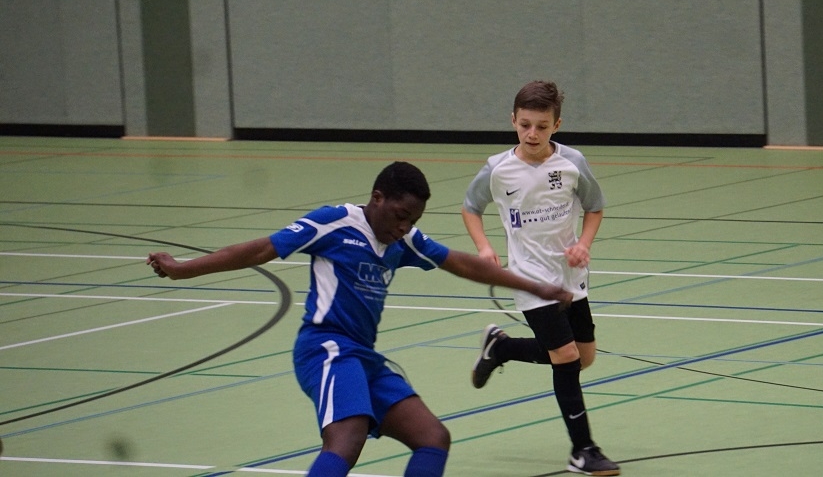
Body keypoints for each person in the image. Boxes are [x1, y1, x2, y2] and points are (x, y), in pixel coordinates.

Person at [147, 161, 572, 477]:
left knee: (433, 438)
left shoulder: (404, 241)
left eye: (413, 221)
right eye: (400, 215)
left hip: (363, 357)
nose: (404, 227)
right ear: (377, 198)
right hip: (326, 347)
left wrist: (537, 287)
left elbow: (463, 263)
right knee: (347, 437)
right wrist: (183, 269)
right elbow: (260, 249)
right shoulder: (335, 223)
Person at [461, 80, 620, 476]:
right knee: (565, 358)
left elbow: (595, 207)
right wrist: (483, 248)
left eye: (542, 126)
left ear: (556, 125)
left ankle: (501, 347)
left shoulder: (572, 163)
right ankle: (583, 450)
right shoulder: (498, 169)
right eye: (525, 125)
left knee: (583, 357)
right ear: (513, 120)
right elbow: (470, 207)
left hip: (571, 276)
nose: (532, 134)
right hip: (529, 279)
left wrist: (584, 243)